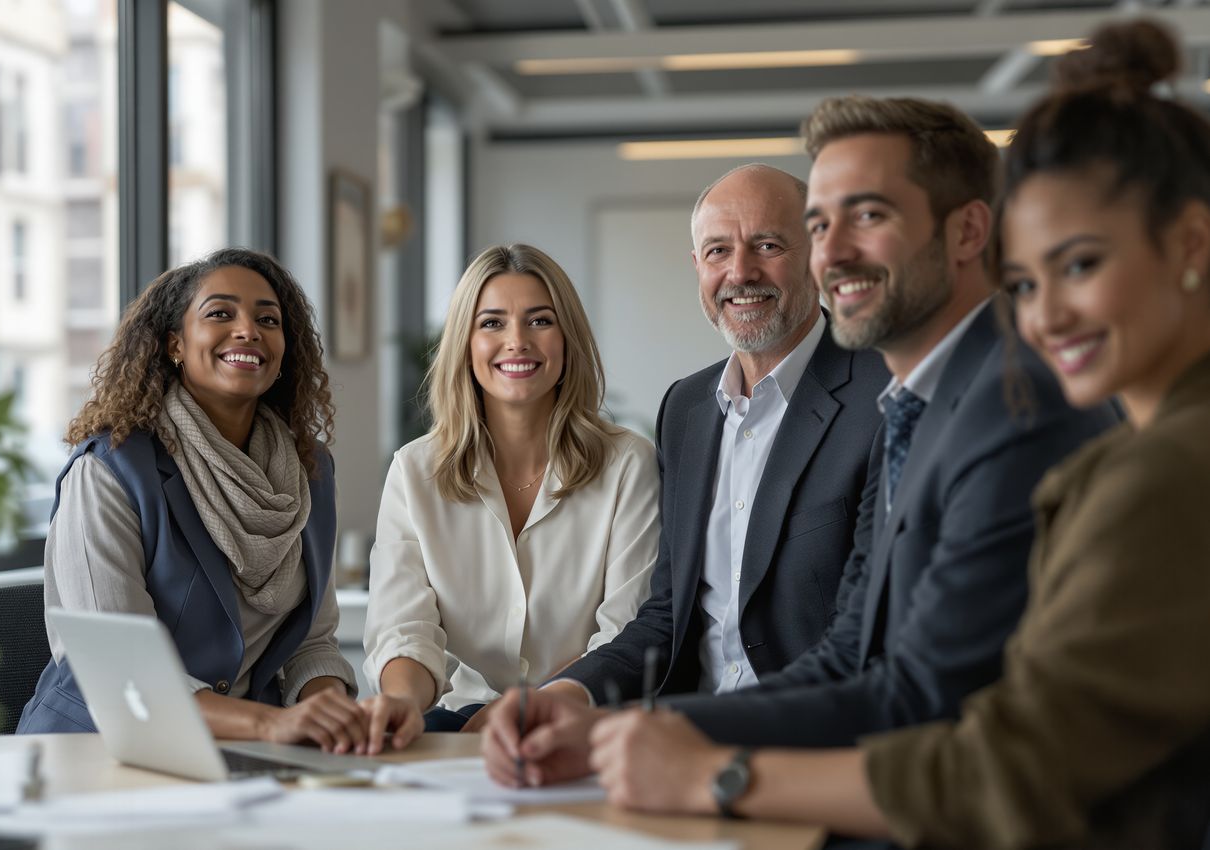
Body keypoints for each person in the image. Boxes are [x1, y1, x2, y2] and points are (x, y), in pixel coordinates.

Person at [582, 19, 1210, 850]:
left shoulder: (1068, 427)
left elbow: (994, 749)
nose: (1047, 313)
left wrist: (714, 772)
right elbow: (859, 657)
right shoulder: (917, 403)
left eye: (1082, 265)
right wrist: (654, 733)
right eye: (1027, 280)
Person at [485, 96, 1119, 788]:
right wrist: (594, 715)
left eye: (869, 215)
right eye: (821, 225)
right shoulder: (912, 400)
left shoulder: (1007, 404)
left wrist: (707, 774)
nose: (833, 251)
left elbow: (922, 697)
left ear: (968, 232)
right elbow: (843, 651)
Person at [482, 164, 891, 781]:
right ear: (696, 266)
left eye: (769, 246)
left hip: (812, 754)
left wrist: (683, 731)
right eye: (717, 251)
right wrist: (563, 696)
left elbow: (863, 642)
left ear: (816, 256)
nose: (740, 272)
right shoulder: (687, 409)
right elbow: (665, 617)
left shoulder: (881, 395)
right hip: (675, 752)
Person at [19, 248, 369, 752]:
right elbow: (120, 670)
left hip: (242, 754)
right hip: (101, 751)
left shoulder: (309, 470)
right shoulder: (109, 469)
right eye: (220, 314)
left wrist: (329, 710)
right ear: (175, 344)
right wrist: (268, 724)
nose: (248, 330)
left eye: (267, 319)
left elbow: (311, 643)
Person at [358, 243, 660, 747]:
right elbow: (404, 627)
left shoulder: (628, 464)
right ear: (465, 343)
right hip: (455, 719)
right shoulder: (415, 470)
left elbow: (625, 631)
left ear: (568, 340)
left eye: (540, 321)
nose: (516, 341)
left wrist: (532, 707)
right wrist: (401, 704)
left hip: (582, 718)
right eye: (492, 323)